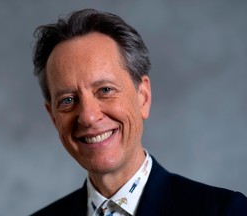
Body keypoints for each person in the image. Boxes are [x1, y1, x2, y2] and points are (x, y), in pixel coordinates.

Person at [30, 8, 247, 216]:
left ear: (143, 96)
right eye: (67, 100)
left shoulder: (224, 211)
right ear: (53, 116)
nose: (88, 116)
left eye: (105, 90)